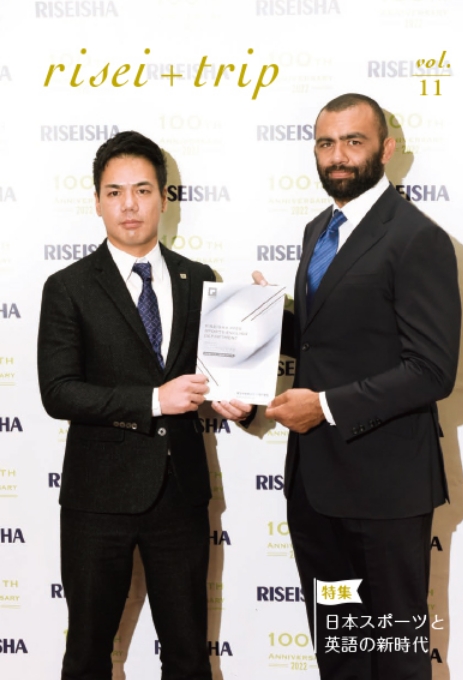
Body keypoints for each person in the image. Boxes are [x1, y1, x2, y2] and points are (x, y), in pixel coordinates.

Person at [255, 93, 461, 679]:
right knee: (341, 655)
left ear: (386, 149)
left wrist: (323, 406)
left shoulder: (416, 237)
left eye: (353, 141)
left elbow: (432, 369)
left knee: (393, 659)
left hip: (385, 493)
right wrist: (263, 322)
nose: (338, 156)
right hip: (316, 488)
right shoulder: (318, 229)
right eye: (326, 143)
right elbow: (326, 340)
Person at [37, 130, 251, 680]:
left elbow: (215, 379)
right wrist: (154, 400)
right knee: (87, 655)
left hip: (181, 496)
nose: (129, 205)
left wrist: (240, 399)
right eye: (114, 192)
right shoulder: (67, 287)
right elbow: (58, 391)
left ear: (163, 198)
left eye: (142, 190)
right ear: (97, 201)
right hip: (97, 501)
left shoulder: (198, 279)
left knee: (188, 656)